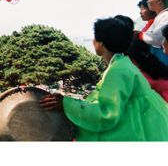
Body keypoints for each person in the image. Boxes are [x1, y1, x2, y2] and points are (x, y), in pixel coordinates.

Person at [40, 16, 168, 141]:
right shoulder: (122, 63)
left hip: (132, 129)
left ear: (101, 42)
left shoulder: (117, 70)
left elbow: (107, 114)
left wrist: (66, 103)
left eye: (95, 37)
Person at [133, 0, 168, 66]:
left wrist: (139, 35)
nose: (148, 1)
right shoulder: (160, 17)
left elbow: (159, 38)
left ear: (159, 1)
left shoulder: (166, 16)